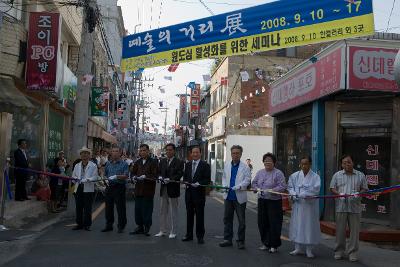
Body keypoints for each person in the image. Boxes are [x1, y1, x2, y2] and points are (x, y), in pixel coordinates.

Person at [330, 154, 368, 262]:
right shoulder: (337, 175)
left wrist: (358, 194)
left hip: (355, 207)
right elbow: (332, 188)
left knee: (354, 232)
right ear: (341, 164)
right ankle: (339, 251)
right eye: (344, 163)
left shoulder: (360, 175)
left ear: (353, 163)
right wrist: (339, 193)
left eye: (349, 162)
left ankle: (353, 252)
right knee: (340, 231)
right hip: (341, 206)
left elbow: (365, 189)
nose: (347, 164)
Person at [252, 152, 287, 253]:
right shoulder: (260, 172)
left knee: (274, 223)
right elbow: (254, 183)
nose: (267, 162)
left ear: (274, 162)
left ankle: (274, 245)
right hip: (262, 200)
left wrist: (273, 190)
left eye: (270, 161)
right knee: (262, 222)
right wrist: (255, 188)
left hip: (274, 202)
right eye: (266, 161)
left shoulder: (278, 173)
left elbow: (283, 186)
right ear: (263, 162)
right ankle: (265, 243)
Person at [288, 156, 321, 258]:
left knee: (309, 226)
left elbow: (316, 190)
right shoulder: (295, 175)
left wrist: (305, 194)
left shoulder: (315, 177)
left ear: (310, 164)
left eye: (306, 164)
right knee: (297, 225)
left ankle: (309, 250)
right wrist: (293, 193)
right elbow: (290, 186)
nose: (303, 166)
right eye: (302, 164)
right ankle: (297, 248)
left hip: (309, 207)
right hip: (298, 205)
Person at [219, 145, 251, 250]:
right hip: (228, 196)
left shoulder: (245, 167)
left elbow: (247, 180)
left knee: (241, 221)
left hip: (239, 196)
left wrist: (239, 186)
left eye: (237, 153)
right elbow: (224, 177)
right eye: (233, 153)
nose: (235, 155)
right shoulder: (227, 165)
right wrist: (224, 186)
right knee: (227, 219)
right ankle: (227, 239)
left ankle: (241, 241)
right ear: (231, 154)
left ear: (241, 154)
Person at [182, 146, 211, 244]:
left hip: (199, 194)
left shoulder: (205, 165)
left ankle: (200, 236)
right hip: (189, 194)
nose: (195, 154)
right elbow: (185, 177)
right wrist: (185, 182)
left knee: (200, 216)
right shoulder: (188, 164)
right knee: (189, 215)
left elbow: (207, 179)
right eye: (193, 152)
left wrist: (199, 183)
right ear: (191, 154)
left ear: (200, 153)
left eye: (197, 152)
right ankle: (189, 235)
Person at [155, 143, 184, 239]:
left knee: (173, 211)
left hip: (173, 188)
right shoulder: (162, 161)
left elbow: (179, 174)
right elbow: (158, 171)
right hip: (163, 188)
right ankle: (162, 230)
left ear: (174, 151)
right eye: (167, 150)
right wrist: (160, 177)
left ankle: (173, 231)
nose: (168, 151)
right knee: (163, 210)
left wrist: (170, 179)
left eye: (170, 150)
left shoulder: (179, 162)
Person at [130, 144, 159, 236]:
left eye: (144, 150)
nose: (142, 152)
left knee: (147, 209)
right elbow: (133, 173)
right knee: (138, 209)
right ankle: (139, 226)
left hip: (148, 190)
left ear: (148, 151)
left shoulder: (153, 162)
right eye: (141, 150)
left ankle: (147, 227)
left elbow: (155, 175)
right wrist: (134, 177)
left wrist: (146, 176)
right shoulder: (137, 162)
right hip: (138, 189)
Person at [102, 146, 129, 233]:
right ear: (111, 153)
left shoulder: (124, 164)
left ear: (120, 153)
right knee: (108, 207)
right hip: (109, 186)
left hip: (119, 186)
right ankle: (109, 225)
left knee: (120, 207)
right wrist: (105, 179)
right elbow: (105, 174)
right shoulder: (108, 163)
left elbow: (126, 176)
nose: (115, 153)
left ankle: (121, 226)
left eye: (117, 151)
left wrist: (117, 176)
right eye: (113, 151)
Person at [71, 147, 99, 231]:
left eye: (86, 153)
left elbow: (95, 177)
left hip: (88, 187)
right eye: (82, 153)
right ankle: (79, 224)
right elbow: (73, 176)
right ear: (80, 155)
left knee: (88, 207)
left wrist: (87, 180)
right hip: (78, 187)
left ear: (89, 155)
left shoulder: (93, 165)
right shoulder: (77, 165)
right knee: (78, 207)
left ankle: (87, 224)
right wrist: (76, 179)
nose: (84, 155)